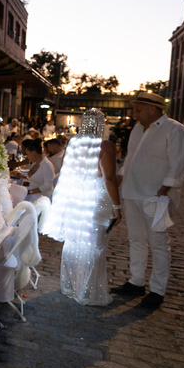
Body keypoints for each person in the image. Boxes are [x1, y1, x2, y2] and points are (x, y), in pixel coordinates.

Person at [112, 92, 184, 309]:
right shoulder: (137, 129)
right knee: (135, 239)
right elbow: (131, 159)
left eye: (138, 110)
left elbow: (178, 165)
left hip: (156, 196)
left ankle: (157, 290)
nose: (134, 114)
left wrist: (163, 191)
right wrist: (117, 179)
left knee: (158, 243)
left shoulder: (175, 130)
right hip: (132, 192)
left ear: (153, 110)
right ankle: (136, 282)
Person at [42, 109, 121, 306]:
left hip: (76, 197)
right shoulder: (106, 146)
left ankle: (69, 285)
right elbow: (109, 178)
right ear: (101, 125)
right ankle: (88, 292)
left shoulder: (73, 143)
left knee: (74, 242)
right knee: (95, 245)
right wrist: (117, 206)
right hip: (96, 198)